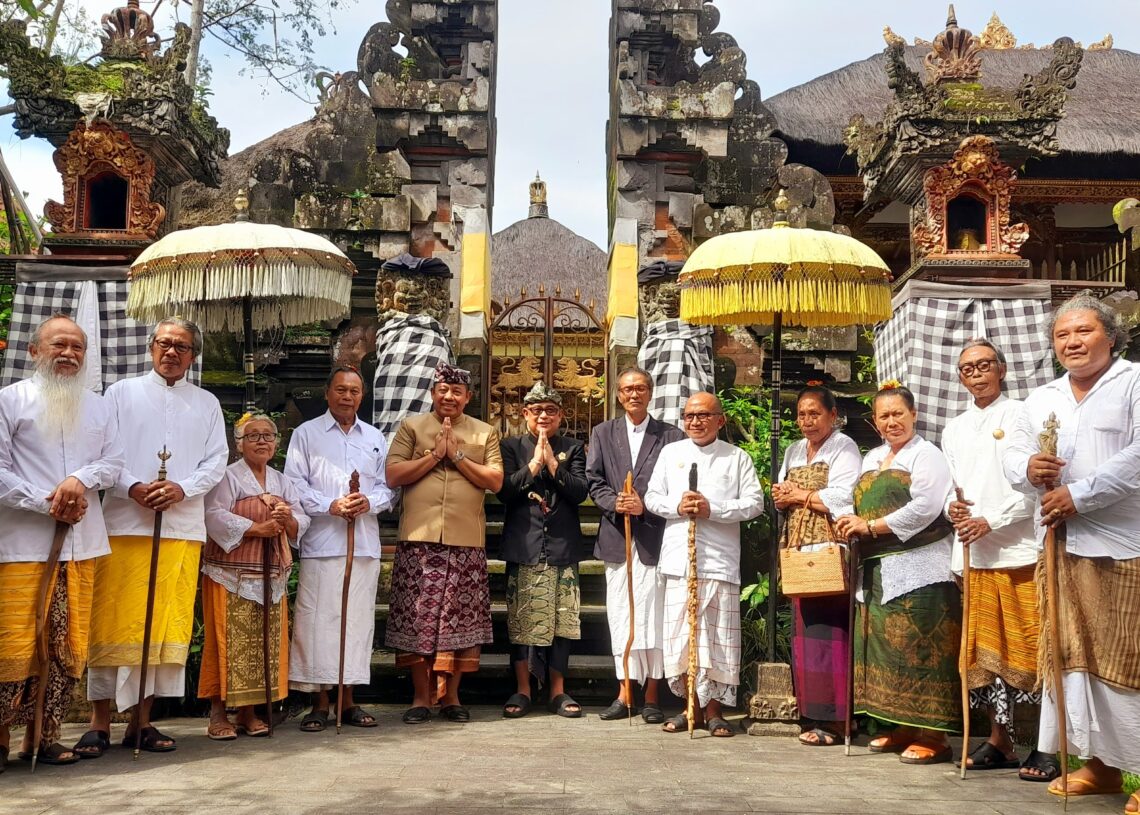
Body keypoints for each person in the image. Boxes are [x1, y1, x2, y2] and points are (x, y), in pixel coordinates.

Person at [1002, 295, 1140, 808]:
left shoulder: (1134, 383)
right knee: (1074, 659)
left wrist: (1080, 496)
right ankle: (1098, 766)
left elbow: (1139, 456)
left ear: (1111, 336)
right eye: (1062, 335)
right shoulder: (1041, 398)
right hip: (1061, 547)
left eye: (1083, 332)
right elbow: (1013, 454)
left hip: (1124, 544)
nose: (1072, 343)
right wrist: (1028, 471)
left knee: (1130, 657)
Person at [81, 317, 227, 755]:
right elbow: (104, 452)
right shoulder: (120, 394)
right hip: (126, 523)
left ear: (193, 356)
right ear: (150, 347)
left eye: (181, 347)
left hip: (179, 528)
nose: (171, 352)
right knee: (112, 620)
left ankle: (143, 721)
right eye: (164, 343)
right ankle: (100, 721)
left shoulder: (207, 403)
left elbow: (216, 460)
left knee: (163, 624)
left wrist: (182, 488)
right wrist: (132, 487)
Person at [0, 315, 123, 767]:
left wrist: (78, 480)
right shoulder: (9, 401)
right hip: (21, 546)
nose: (69, 353)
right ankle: (0, 737)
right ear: (35, 351)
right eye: (59, 345)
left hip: (81, 545)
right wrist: (46, 501)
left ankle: (44, 736)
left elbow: (113, 462)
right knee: (14, 642)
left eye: (77, 347)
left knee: (67, 645)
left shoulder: (99, 406)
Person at [943, 340, 1053, 779]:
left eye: (984, 365)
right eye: (967, 368)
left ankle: (1046, 744)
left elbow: (1030, 487)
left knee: (1032, 649)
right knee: (984, 655)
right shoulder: (954, 428)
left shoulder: (1020, 415)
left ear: (1002, 369)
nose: (976, 373)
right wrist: (954, 511)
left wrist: (992, 519)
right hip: (975, 553)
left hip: (1019, 549)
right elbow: (957, 487)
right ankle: (1000, 741)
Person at [834, 382, 959, 765]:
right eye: (884, 416)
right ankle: (900, 726)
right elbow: (851, 498)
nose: (891, 422)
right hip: (877, 567)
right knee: (885, 650)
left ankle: (934, 734)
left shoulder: (928, 456)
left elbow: (925, 507)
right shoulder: (873, 457)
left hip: (920, 566)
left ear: (914, 414)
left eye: (898, 414)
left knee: (922, 649)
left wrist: (871, 527)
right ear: (874, 421)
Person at [385, 363, 502, 724]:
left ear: (468, 397)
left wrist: (457, 455)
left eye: (457, 392)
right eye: (443, 390)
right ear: (433, 393)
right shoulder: (411, 428)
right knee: (417, 619)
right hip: (419, 541)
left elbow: (495, 481)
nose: (449, 397)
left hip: (465, 541)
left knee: (459, 620)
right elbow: (393, 475)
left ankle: (451, 696)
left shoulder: (485, 433)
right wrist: (434, 455)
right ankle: (421, 697)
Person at [645, 392, 764, 737]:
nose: (695, 421)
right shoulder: (671, 453)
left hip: (719, 561)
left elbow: (754, 503)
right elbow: (652, 498)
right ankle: (688, 709)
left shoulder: (736, 457)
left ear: (720, 420)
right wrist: (678, 507)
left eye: (703, 415)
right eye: (689, 416)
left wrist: (715, 509)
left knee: (718, 639)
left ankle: (715, 712)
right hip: (680, 560)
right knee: (682, 637)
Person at [285, 366, 394, 732]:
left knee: (356, 622)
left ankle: (348, 701)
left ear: (362, 396)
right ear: (328, 392)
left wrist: (369, 502)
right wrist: (331, 504)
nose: (348, 397)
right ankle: (319, 702)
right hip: (323, 543)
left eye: (354, 391)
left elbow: (387, 488)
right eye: (341, 390)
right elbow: (294, 486)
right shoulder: (306, 434)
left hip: (361, 543)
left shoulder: (375, 437)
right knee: (319, 623)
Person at [199, 413, 309, 740]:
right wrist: (254, 527)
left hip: (269, 575)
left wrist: (287, 517)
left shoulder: (281, 481)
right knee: (225, 642)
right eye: (253, 436)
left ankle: (249, 712)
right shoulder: (227, 476)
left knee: (260, 643)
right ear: (239, 444)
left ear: (276, 443)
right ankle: (218, 714)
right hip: (229, 574)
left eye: (268, 435)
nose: (261, 441)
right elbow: (212, 514)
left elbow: (300, 519)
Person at [586, 367, 684, 723]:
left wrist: (646, 507)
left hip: (654, 537)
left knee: (655, 616)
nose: (633, 394)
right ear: (618, 394)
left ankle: (653, 694)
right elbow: (593, 479)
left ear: (650, 392)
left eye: (640, 388)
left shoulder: (671, 436)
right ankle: (625, 691)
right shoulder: (603, 432)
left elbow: (675, 485)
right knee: (622, 615)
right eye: (627, 389)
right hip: (617, 537)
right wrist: (614, 502)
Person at [771, 385, 861, 747]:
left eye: (815, 414)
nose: (807, 421)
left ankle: (838, 719)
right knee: (805, 631)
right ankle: (812, 711)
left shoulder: (844, 447)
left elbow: (845, 493)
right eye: (802, 414)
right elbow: (780, 490)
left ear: (832, 415)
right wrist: (781, 496)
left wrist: (800, 495)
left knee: (831, 632)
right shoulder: (794, 450)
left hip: (830, 545)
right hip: (798, 544)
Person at [498, 381, 589, 719]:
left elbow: (580, 492)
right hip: (525, 544)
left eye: (551, 410)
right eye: (536, 410)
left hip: (562, 546)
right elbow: (504, 492)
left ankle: (557, 690)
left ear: (561, 415)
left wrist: (553, 464)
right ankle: (523, 689)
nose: (543, 416)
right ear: (525, 414)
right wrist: (534, 464)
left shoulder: (574, 448)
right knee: (521, 622)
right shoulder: (510, 447)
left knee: (564, 621)